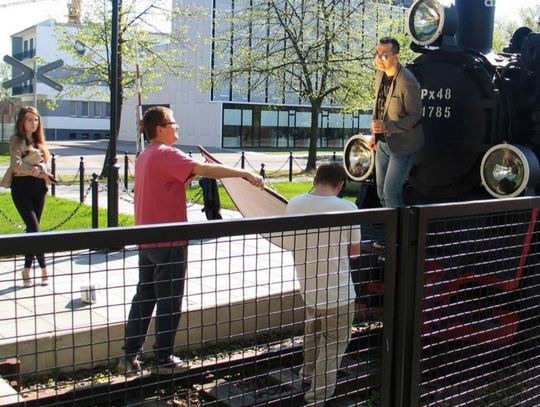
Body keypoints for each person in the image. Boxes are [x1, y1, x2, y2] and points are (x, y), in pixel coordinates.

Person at [118, 106, 264, 376]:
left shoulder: (145, 155)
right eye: (173, 123)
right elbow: (204, 169)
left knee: (144, 297)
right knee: (170, 300)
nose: (178, 127)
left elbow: (180, 178)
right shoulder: (166, 153)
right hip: (170, 241)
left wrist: (198, 170)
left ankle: (129, 356)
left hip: (147, 240)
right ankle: (163, 358)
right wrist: (244, 174)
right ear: (160, 128)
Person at [285, 162, 361, 406]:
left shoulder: (294, 204)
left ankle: (306, 375)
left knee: (312, 334)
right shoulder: (349, 208)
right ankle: (317, 398)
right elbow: (355, 253)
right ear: (340, 185)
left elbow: (289, 242)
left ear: (315, 180)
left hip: (309, 287)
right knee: (333, 344)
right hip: (339, 292)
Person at [1, 106, 53, 287]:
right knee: (34, 227)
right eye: (30, 119)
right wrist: (35, 169)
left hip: (39, 188)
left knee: (33, 230)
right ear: (22, 121)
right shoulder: (16, 140)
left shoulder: (40, 143)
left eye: (36, 119)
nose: (34, 123)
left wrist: (40, 167)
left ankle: (26, 270)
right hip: (21, 188)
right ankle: (44, 268)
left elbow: (47, 165)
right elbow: (16, 165)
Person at [369, 36, 423, 209]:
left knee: (390, 194)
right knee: (380, 193)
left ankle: (400, 227)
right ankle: (390, 225)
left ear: (396, 57)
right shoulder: (380, 73)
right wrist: (374, 135)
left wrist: (387, 127)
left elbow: (416, 116)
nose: (379, 58)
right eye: (377, 53)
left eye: (384, 54)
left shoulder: (407, 81)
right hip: (382, 143)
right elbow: (379, 106)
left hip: (403, 146)